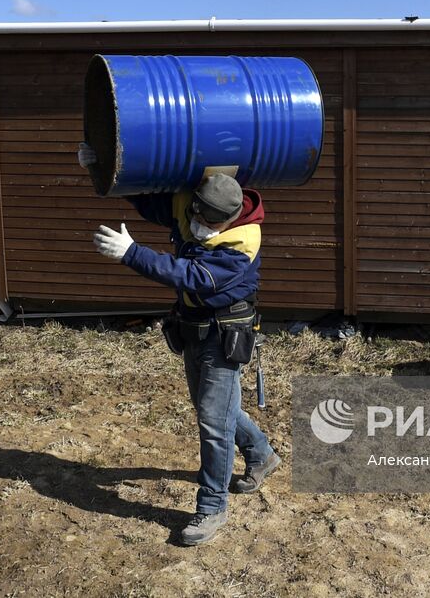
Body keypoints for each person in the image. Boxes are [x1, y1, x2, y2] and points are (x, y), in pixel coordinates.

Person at [79, 143, 282, 546]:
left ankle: (212, 506)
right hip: (192, 328)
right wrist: (103, 169)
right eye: (195, 216)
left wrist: (132, 253)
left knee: (213, 421)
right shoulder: (196, 206)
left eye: (208, 222)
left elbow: (190, 275)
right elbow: (148, 202)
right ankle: (261, 454)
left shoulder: (241, 243)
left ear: (228, 219)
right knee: (216, 410)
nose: (197, 225)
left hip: (224, 335)